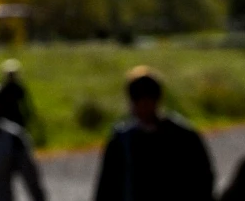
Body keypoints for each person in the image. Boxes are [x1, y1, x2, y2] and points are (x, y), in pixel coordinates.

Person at [92, 67, 216, 201]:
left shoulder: (183, 137)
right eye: (139, 101)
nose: (143, 107)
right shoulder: (121, 141)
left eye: (147, 100)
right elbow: (107, 186)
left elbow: (203, 180)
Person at [0, 60, 36, 135]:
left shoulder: (18, 88)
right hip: (5, 116)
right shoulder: (2, 88)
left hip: (16, 116)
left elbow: (25, 103)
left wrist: (28, 115)